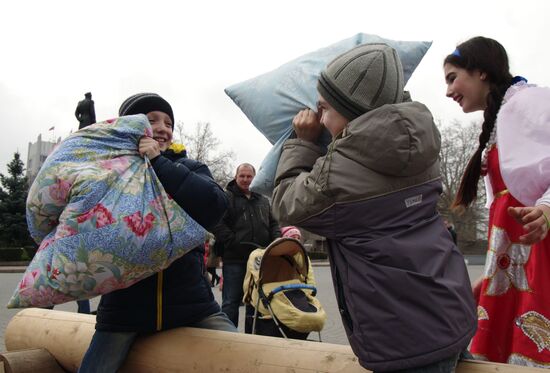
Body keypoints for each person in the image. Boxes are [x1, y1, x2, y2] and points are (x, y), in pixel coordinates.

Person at [272, 43, 476, 373]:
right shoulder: (422, 141)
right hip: (452, 314)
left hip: (406, 342)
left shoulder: (338, 172)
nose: (320, 119)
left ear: (353, 113)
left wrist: (302, 143)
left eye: (324, 108)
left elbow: (286, 203)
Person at [78, 93, 237, 373]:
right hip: (124, 310)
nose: (162, 127)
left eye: (168, 122)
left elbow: (215, 205)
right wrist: (88, 131)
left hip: (193, 304)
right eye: (151, 120)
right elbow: (82, 204)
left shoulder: (190, 167)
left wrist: (158, 162)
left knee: (241, 355)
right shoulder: (114, 172)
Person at [444, 36, 550, 366]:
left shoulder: (529, 102)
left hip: (539, 256)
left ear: (481, 72)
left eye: (452, 78)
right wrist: (490, 275)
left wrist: (547, 207)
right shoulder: (501, 119)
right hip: (513, 264)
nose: (448, 92)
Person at [212, 163, 281, 328]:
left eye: (249, 176)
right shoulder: (226, 197)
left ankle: (252, 338)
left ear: (254, 177)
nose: (245, 179)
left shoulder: (263, 200)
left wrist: (276, 241)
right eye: (241, 176)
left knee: (255, 301)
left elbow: (273, 224)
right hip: (234, 259)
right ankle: (229, 338)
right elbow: (217, 223)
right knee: (231, 301)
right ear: (236, 177)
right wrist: (233, 242)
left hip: (259, 260)